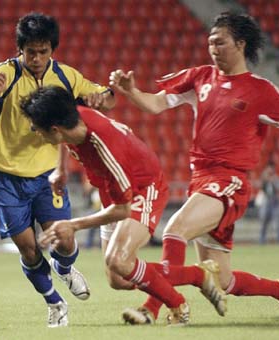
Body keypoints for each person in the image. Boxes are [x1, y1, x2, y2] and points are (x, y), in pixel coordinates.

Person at [109, 11, 279, 324]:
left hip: (230, 181)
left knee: (175, 230)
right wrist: (131, 91)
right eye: (210, 42)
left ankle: (156, 308)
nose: (212, 48)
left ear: (240, 44)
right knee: (225, 282)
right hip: (201, 181)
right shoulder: (200, 77)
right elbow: (157, 104)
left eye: (220, 42)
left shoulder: (261, 90)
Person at [20, 85, 228, 326]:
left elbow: (123, 209)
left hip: (142, 187)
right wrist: (61, 169)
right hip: (113, 189)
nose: (35, 131)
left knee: (119, 260)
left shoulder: (105, 148)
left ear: (54, 129)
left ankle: (178, 305)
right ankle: (198, 274)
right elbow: (65, 138)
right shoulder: (72, 118)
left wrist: (73, 225)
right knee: (117, 279)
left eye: (37, 128)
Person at [0, 12, 115, 327]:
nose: (37, 58)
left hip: (46, 176)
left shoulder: (66, 76)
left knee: (66, 242)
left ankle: (64, 268)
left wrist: (106, 96)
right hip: (4, 177)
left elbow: (104, 98)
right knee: (29, 248)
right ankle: (55, 303)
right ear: (21, 49)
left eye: (43, 51)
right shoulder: (3, 73)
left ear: (52, 50)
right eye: (31, 51)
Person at [256, 163, 279, 244]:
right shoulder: (264, 178)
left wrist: (273, 181)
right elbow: (260, 187)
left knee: (278, 223)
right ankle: (262, 241)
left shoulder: (276, 178)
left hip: (275, 202)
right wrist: (265, 179)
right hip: (265, 202)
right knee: (263, 223)